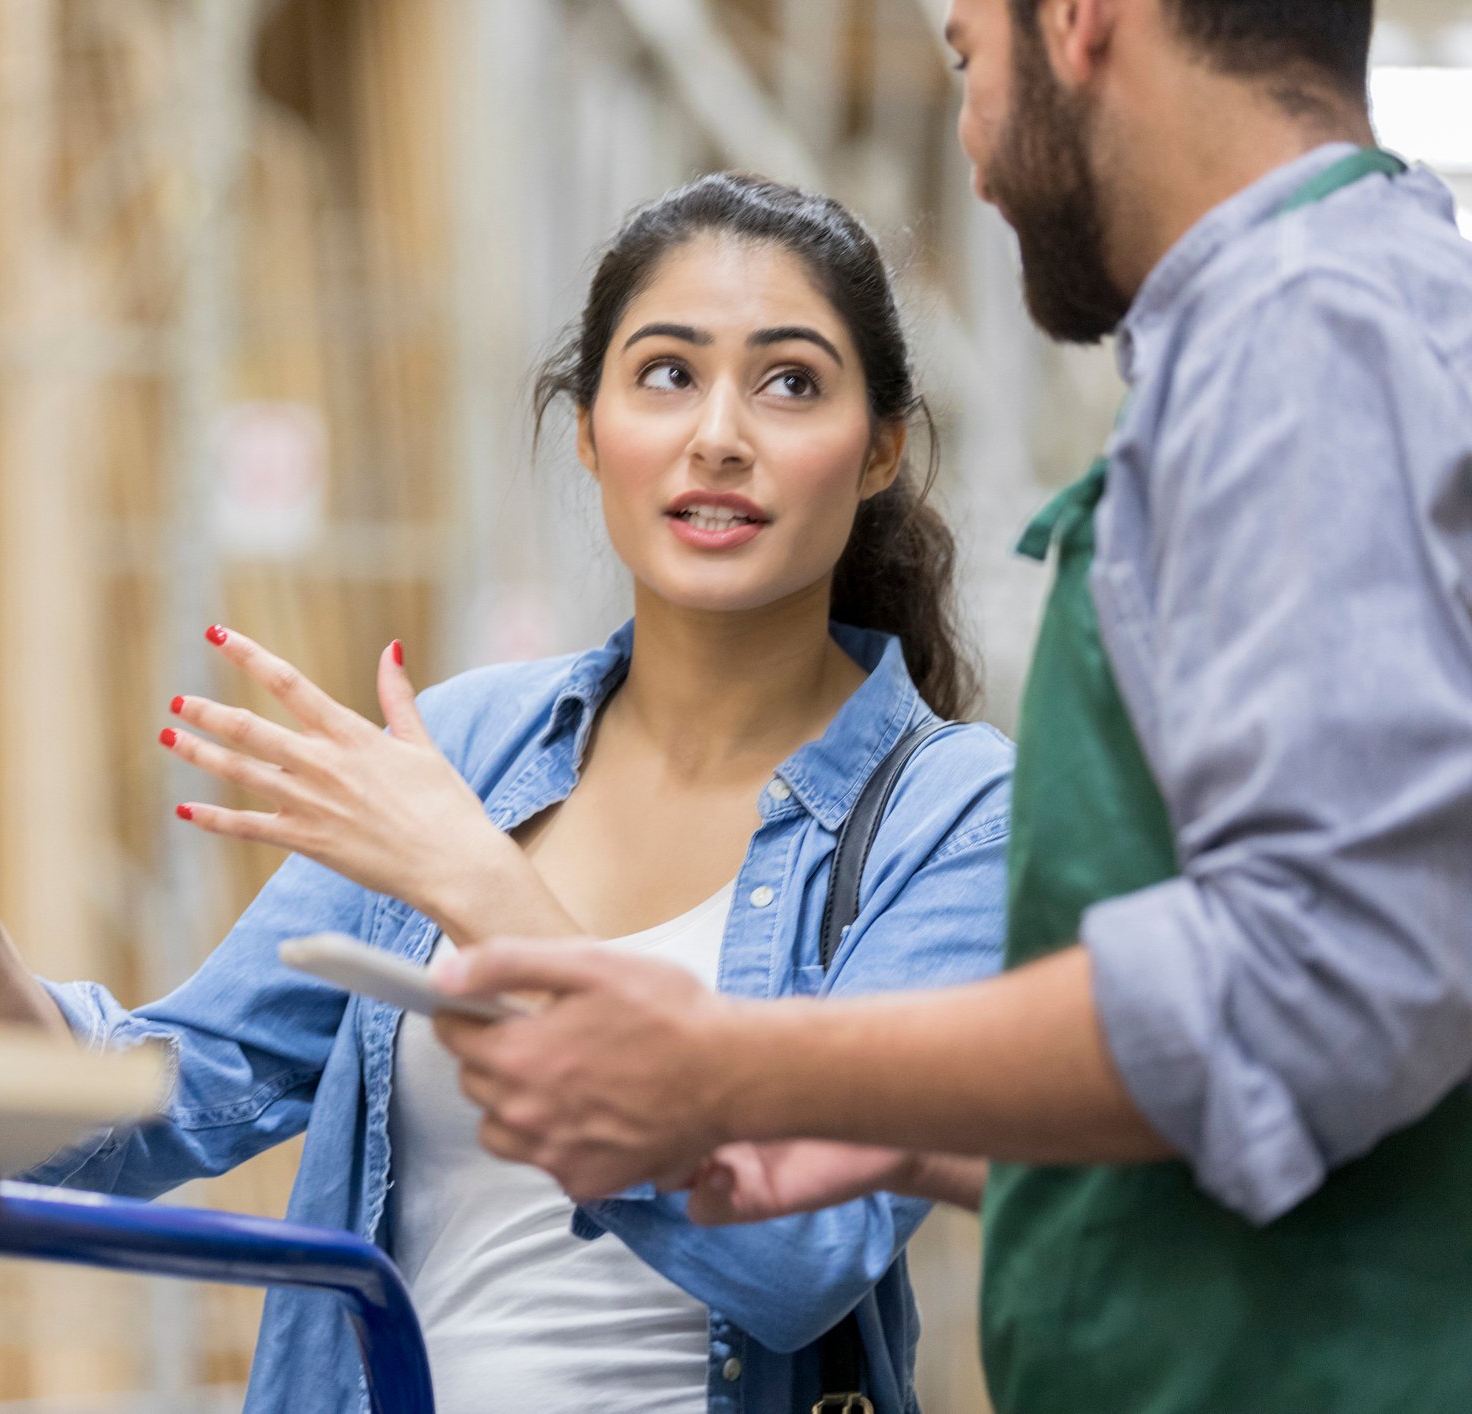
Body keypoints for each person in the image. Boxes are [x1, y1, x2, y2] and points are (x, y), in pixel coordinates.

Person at [0, 173, 1015, 1413]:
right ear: (590, 430)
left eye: (790, 381)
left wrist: (489, 893)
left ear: (880, 450)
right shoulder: (470, 745)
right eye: (664, 372)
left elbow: (801, 1258)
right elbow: (138, 1126)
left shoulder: (956, 815)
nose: (718, 433)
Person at [432, 2, 1472, 1409]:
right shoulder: (1311, 321)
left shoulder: (1305, 331)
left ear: (1082, 20)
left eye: (966, 52)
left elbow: (1327, 965)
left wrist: (734, 1058)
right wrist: (898, 1128)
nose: (971, 145)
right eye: (663, 373)